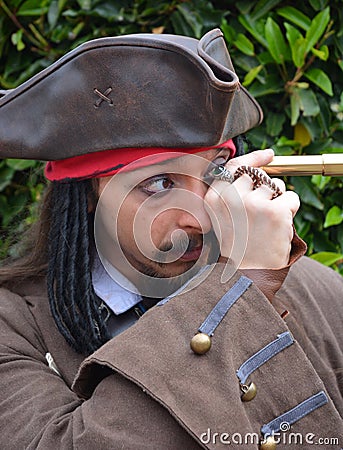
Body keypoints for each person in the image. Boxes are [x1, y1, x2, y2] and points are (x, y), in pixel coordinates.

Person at [0, 28, 342, 450]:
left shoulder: (316, 288)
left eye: (216, 170)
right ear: (89, 192)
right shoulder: (13, 327)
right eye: (160, 183)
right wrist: (236, 294)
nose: (200, 216)